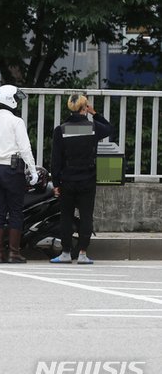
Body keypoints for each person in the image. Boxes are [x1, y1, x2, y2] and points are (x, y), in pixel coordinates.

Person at [50, 94, 112, 264]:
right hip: (87, 179)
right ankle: (83, 253)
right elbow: (109, 128)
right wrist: (95, 113)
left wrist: (56, 183)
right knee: (86, 216)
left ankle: (65, 253)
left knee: (66, 217)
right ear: (85, 108)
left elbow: (56, 159)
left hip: (67, 180)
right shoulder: (93, 127)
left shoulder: (61, 129)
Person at [0, 85, 38, 264]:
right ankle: (14, 253)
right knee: (15, 211)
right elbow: (25, 148)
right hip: (13, 170)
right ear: (10, 99)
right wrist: (33, 170)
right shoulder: (16, 122)